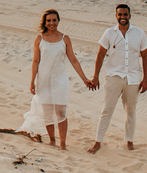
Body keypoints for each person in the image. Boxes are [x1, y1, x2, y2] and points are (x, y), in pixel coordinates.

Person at [19, 9, 97, 150]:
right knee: (47, 111)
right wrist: (32, 81)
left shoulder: (65, 38)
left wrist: (84, 78)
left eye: (54, 20)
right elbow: (36, 61)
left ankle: (62, 143)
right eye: (49, 20)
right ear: (45, 22)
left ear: (58, 21)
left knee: (61, 111)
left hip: (60, 80)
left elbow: (73, 59)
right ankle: (52, 141)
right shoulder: (39, 39)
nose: (52, 23)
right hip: (43, 80)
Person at [87, 4, 147, 154]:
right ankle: (98, 142)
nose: (123, 17)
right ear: (116, 16)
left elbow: (146, 56)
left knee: (131, 111)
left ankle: (129, 141)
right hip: (114, 76)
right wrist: (95, 76)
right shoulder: (109, 33)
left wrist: (145, 79)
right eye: (120, 15)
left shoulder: (139, 33)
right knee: (107, 110)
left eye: (125, 14)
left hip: (133, 79)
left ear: (130, 15)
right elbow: (100, 55)